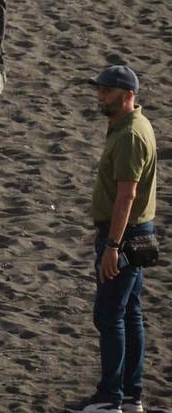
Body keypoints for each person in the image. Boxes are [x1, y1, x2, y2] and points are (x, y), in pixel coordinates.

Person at [81, 64, 157, 413]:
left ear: (128, 96)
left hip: (125, 236)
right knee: (129, 314)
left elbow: (126, 197)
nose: (100, 95)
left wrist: (112, 245)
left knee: (110, 315)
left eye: (107, 91)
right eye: (99, 89)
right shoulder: (129, 125)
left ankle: (111, 397)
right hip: (136, 233)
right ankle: (130, 396)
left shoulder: (129, 136)